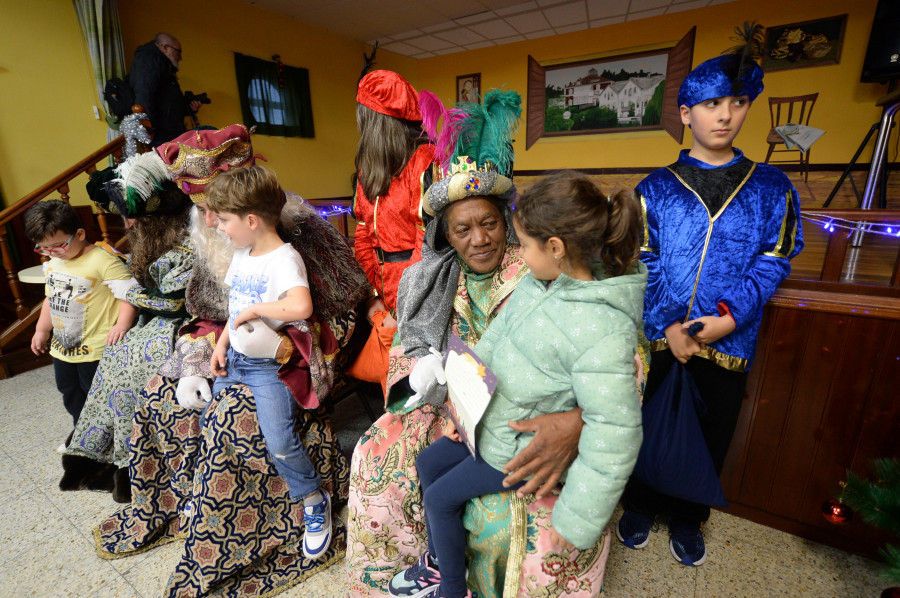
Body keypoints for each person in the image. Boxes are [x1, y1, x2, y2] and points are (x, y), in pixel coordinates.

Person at [348, 91, 613, 598]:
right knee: (376, 453)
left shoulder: (546, 268)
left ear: (508, 222)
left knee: (500, 518)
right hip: (458, 410)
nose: (480, 239)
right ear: (445, 235)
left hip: (534, 419)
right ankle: (432, 560)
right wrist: (440, 396)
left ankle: (460, 581)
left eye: (489, 223)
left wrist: (577, 422)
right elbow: (414, 349)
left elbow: (615, 358)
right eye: (462, 229)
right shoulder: (433, 277)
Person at [94, 125, 370, 598]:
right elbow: (206, 315)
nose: (206, 221)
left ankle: (285, 514)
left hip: (289, 360)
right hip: (234, 352)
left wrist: (291, 349)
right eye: (202, 210)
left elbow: (343, 309)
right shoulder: (228, 246)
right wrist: (197, 359)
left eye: (213, 211)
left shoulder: (299, 240)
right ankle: (190, 505)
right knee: (162, 397)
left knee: (234, 423)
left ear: (248, 212)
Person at [390, 172, 646, 598]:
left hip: (514, 447)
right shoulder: (538, 282)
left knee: (439, 499)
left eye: (523, 245)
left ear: (556, 249)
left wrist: (577, 518)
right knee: (428, 463)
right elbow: (494, 341)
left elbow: (615, 432)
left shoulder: (600, 324)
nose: (517, 254)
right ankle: (439, 561)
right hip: (487, 420)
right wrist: (461, 405)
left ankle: (453, 588)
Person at [616, 52, 804, 567]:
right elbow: (642, 259)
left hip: (729, 340)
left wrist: (727, 318)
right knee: (645, 423)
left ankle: (688, 515)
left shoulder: (772, 188)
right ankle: (639, 504)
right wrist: (671, 325)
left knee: (711, 429)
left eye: (737, 103)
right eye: (710, 104)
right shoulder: (654, 189)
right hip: (661, 336)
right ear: (685, 113)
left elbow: (774, 258)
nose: (724, 115)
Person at [205, 164, 332, 560]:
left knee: (279, 440)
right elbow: (234, 309)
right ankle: (208, 497)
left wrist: (257, 310)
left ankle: (313, 498)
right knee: (212, 419)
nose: (219, 227)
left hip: (267, 367)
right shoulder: (242, 255)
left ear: (252, 219)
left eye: (224, 220)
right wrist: (221, 344)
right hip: (238, 359)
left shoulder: (283, 259)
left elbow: (301, 305)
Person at [62, 151, 195, 502]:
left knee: (134, 362)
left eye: (132, 217)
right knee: (117, 355)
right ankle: (101, 461)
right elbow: (148, 288)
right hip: (154, 321)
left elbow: (179, 301)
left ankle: (134, 468)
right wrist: (135, 295)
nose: (128, 224)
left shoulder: (186, 244)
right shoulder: (151, 241)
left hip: (184, 324)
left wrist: (134, 295)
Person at [24, 200, 136, 443]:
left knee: (95, 396)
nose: (52, 253)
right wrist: (41, 330)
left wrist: (122, 325)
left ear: (80, 234)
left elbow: (128, 295)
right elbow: (50, 299)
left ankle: (106, 440)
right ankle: (83, 433)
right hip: (62, 348)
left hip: (95, 348)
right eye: (43, 248)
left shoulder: (102, 260)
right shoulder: (54, 262)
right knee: (69, 392)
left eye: (58, 246)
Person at [353, 70, 436, 316]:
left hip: (416, 289)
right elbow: (362, 232)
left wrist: (403, 308)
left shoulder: (424, 159)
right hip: (379, 286)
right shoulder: (368, 168)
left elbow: (428, 244)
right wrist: (372, 296)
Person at [130, 33, 202, 146]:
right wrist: (149, 130)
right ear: (165, 48)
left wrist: (189, 108)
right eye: (178, 52)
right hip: (161, 136)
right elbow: (144, 95)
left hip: (168, 133)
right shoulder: (149, 60)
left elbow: (167, 102)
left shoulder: (161, 64)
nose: (180, 57)